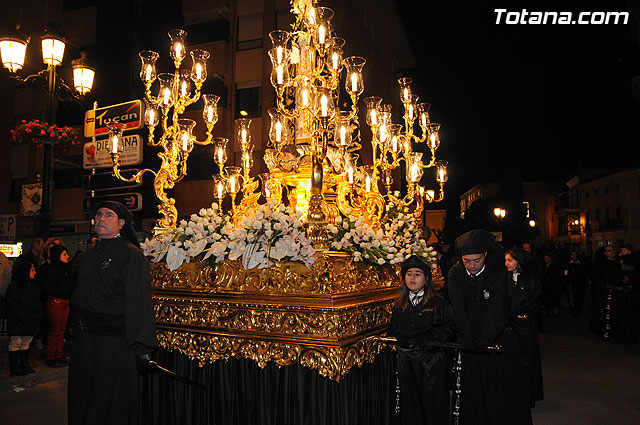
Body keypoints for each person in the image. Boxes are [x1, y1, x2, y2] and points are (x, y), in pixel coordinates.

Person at [68, 201, 157, 425]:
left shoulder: (131, 254)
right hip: (85, 343)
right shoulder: (89, 254)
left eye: (108, 215)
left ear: (121, 223)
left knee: (109, 403)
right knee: (84, 399)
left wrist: (142, 347)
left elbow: (139, 301)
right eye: (98, 215)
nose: (101, 219)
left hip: (113, 345)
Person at [447, 229, 532, 425]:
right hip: (470, 339)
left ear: (485, 255)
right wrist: (468, 340)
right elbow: (459, 310)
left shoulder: (497, 270)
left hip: (497, 338)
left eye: (476, 260)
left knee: (500, 392)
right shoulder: (455, 274)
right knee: (472, 391)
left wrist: (486, 339)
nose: (472, 265)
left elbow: (498, 309)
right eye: (467, 261)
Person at [388, 255, 456, 425]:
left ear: (426, 279)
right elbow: (393, 329)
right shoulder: (399, 305)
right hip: (407, 362)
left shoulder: (439, 303)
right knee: (410, 404)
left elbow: (451, 328)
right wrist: (398, 338)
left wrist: (430, 338)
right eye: (409, 274)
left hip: (430, 362)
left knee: (432, 405)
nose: (412, 278)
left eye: (417, 274)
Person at [505, 249, 544, 406]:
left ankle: (527, 396)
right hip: (509, 327)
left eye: (510, 260)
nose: (506, 263)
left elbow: (535, 300)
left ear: (518, 262)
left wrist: (518, 309)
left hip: (525, 326)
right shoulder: (503, 279)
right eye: (505, 260)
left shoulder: (531, 279)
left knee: (526, 361)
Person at [5, 261, 42, 375]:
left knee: (26, 342)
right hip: (19, 321)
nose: (35, 273)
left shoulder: (33, 287)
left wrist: (36, 315)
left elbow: (38, 303)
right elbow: (12, 305)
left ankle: (23, 364)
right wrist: (22, 316)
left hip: (29, 320)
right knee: (16, 342)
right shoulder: (15, 287)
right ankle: (15, 367)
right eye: (32, 270)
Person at [43, 244, 75, 366]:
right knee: (55, 330)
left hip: (64, 301)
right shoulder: (52, 269)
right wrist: (62, 293)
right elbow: (47, 286)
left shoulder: (66, 268)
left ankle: (58, 353)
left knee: (61, 330)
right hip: (56, 301)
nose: (67, 256)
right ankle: (51, 355)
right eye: (65, 254)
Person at [564, 251, 589, 318]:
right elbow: (565, 274)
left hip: (579, 284)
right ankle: (573, 311)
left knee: (579, 298)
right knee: (572, 298)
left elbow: (584, 273)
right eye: (572, 255)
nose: (573, 256)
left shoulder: (581, 264)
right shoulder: (568, 264)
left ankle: (577, 311)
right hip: (571, 284)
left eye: (575, 255)